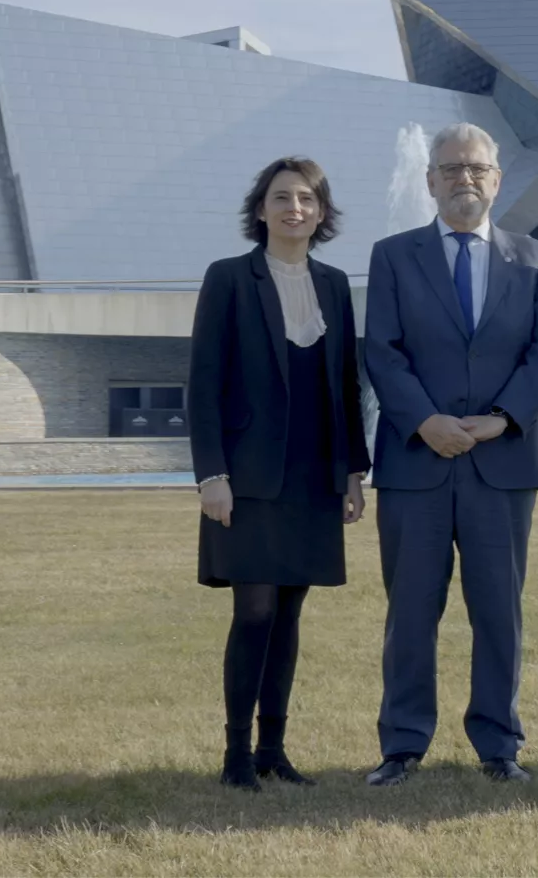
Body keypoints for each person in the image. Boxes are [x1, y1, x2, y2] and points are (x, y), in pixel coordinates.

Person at [362, 122, 538, 787]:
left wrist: (496, 420)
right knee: (412, 611)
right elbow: (383, 352)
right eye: (450, 168)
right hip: (416, 464)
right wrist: (425, 421)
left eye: (476, 168)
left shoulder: (535, 259)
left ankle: (498, 744)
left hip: (500, 463)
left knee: (498, 611)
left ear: (498, 179)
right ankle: (402, 744)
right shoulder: (393, 256)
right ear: (429, 181)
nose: (464, 179)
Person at [189, 156, 370, 791]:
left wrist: (353, 470)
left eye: (308, 199)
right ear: (261, 208)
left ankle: (273, 750)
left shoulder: (334, 285)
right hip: (247, 478)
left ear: (322, 213)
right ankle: (236, 755)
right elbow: (203, 384)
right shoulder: (230, 278)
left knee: (289, 617)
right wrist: (210, 473)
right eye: (282, 197)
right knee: (255, 612)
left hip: (314, 478)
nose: (296, 208)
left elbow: (348, 386)